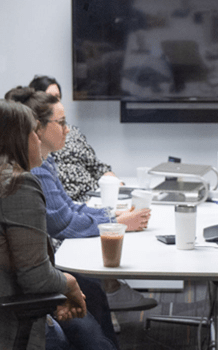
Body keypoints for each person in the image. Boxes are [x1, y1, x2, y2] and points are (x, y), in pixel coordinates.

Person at [0, 100, 142, 350]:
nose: (38, 137)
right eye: (33, 132)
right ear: (17, 139)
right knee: (85, 334)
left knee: (80, 319)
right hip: (11, 323)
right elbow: (35, 277)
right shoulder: (18, 184)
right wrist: (69, 284)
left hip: (17, 302)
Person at [5, 87, 157, 311]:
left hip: (41, 273)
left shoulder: (45, 161)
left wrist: (112, 215)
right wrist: (117, 223)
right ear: (39, 128)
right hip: (39, 278)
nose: (68, 130)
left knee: (92, 290)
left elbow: (68, 207)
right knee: (92, 290)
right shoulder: (33, 172)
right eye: (62, 123)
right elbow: (63, 222)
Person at [29, 75, 119, 203]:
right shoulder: (34, 144)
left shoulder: (73, 132)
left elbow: (96, 166)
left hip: (95, 195)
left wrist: (116, 185)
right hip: (74, 201)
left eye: (57, 97)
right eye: (49, 97)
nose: (55, 101)